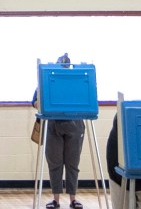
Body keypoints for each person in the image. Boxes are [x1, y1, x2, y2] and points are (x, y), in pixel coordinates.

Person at [40, 56, 85, 209]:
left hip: (75, 123)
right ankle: (56, 199)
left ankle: (73, 199)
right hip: (54, 123)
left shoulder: (77, 82)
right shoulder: (47, 81)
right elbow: (35, 101)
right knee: (55, 163)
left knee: (73, 163)